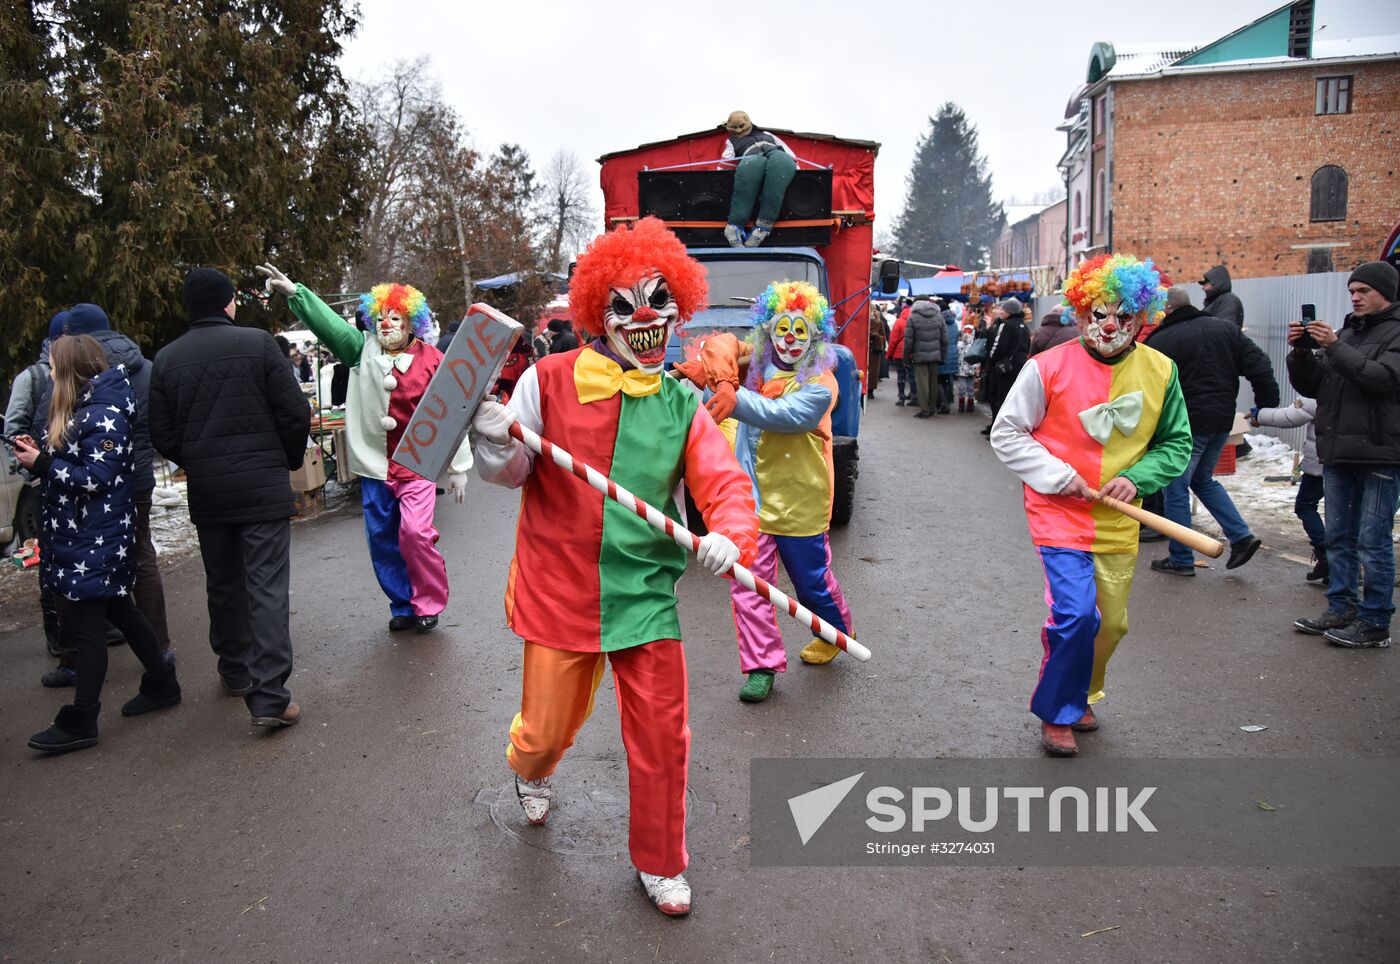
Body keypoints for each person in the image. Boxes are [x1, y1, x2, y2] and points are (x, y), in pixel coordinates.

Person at [470, 217, 759, 916]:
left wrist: (729, 532)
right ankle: (528, 770)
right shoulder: (547, 380)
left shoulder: (683, 402)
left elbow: (724, 482)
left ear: (678, 307)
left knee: (663, 735)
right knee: (543, 731)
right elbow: (511, 473)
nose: (647, 318)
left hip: (645, 597)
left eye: (659, 300)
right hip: (558, 590)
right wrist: (491, 441)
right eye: (627, 306)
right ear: (601, 316)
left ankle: (661, 861)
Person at [991, 253, 1190, 755]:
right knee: (1078, 616)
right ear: (1081, 313)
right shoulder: (1046, 367)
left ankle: (1079, 690)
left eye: (1124, 316)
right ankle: (1058, 712)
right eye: (1099, 313)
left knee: (1111, 624)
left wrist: (1137, 476)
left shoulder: (1162, 372)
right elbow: (1008, 433)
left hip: (1119, 519)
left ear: (1144, 319)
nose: (1110, 325)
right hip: (1058, 513)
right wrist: (1061, 477)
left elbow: (1176, 444)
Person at [258, 264, 473, 633]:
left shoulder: (433, 360)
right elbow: (331, 326)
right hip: (375, 466)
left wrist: (458, 467)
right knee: (383, 539)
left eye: (395, 317)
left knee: (416, 533)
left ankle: (428, 601)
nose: (386, 324)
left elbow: (453, 412)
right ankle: (404, 605)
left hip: (418, 464)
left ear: (411, 323)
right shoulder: (360, 350)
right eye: (381, 317)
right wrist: (298, 294)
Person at [680, 281, 855, 703]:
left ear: (815, 335)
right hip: (750, 500)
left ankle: (834, 632)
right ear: (767, 331)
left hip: (800, 499)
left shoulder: (821, 383)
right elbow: (717, 343)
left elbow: (782, 415)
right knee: (747, 585)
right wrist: (722, 376)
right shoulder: (753, 364)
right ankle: (761, 665)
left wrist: (732, 396)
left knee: (810, 581)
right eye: (782, 328)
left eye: (800, 329)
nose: (790, 338)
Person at [149, 267, 309, 728]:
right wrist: (286, 459)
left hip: (210, 489)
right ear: (226, 303)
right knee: (266, 588)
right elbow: (294, 412)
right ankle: (270, 698)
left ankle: (235, 670)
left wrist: (197, 458)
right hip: (261, 486)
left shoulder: (167, 359)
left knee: (222, 582)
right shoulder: (258, 343)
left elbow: (162, 432)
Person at [15, 335, 181, 753]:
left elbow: (95, 476)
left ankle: (82, 719)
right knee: (122, 611)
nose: (48, 374)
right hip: (87, 534)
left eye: (53, 366)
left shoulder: (101, 410)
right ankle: (162, 682)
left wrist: (44, 463)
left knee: (88, 628)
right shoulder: (86, 409)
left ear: (69, 370)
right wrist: (42, 453)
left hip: (95, 537)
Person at [1289, 261, 1400, 649]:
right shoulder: (1350, 332)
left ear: (1385, 292)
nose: (1354, 297)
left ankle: (1374, 622)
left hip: (1380, 455)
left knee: (1373, 539)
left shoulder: (1394, 332)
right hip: (1338, 452)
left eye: (1364, 290)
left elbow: (1381, 380)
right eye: (1352, 290)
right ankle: (1341, 607)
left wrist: (1334, 346)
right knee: (1338, 536)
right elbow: (1315, 385)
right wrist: (1302, 353)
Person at [59, 304, 174, 669]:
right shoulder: (145, 365)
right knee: (142, 555)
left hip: (93, 481)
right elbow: (159, 421)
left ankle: (82, 653)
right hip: (137, 475)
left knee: (87, 557)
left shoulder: (76, 365)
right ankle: (159, 644)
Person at [1145, 286, 1278, 576]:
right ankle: (1241, 537)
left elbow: (1145, 389)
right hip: (1220, 419)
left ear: (1166, 310)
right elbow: (1260, 364)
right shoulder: (1224, 330)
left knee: (1175, 489)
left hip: (1185, 425)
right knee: (1203, 479)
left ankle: (1181, 557)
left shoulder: (1161, 340)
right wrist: (1267, 404)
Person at [5, 311, 66, 659]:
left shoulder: (81, 370)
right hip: (45, 481)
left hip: (74, 479)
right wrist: (30, 466)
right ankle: (56, 633)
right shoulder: (33, 377)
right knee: (51, 560)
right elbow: (13, 428)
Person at [1252, 397, 1325, 582]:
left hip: (1322, 461)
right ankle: (1346, 568)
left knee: (1305, 506)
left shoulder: (1324, 381)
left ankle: (1327, 557)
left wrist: (1259, 414)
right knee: (1345, 514)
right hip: (1358, 460)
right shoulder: (1371, 381)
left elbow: (1289, 416)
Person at [720, 111, 797, 249]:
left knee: (782, 162)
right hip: (751, 159)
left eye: (740, 128)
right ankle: (734, 226)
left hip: (775, 154)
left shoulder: (767, 135)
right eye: (735, 129)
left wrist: (795, 167)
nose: (738, 131)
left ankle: (763, 226)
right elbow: (724, 166)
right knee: (753, 165)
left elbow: (790, 155)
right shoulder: (731, 142)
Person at [984, 298, 1029, 433]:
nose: (1001, 312)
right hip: (1019, 366)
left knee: (1000, 397)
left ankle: (998, 429)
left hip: (1004, 367)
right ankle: (1010, 428)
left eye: (1003, 309)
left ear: (1009, 311)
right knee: (1013, 398)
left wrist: (992, 360)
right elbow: (1027, 346)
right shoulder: (1024, 325)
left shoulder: (1006, 325)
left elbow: (999, 347)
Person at [903, 297, 947, 419]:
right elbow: (944, 339)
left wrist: (906, 358)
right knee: (933, 382)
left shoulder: (913, 318)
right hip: (935, 355)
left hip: (919, 355)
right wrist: (943, 356)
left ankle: (924, 409)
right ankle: (932, 407)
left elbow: (908, 341)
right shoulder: (939, 317)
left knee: (922, 384)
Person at [1201, 265, 1244, 329]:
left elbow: (1224, 329)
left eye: (1206, 284)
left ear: (1216, 283)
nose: (1203, 288)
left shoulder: (1228, 300)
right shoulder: (1217, 301)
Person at [936, 300, 960, 414]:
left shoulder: (940, 322)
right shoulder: (954, 323)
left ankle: (944, 404)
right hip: (953, 354)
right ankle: (949, 400)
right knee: (947, 380)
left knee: (938, 380)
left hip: (942, 353)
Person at [888, 302, 911, 406]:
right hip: (911, 353)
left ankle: (901, 396)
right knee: (912, 375)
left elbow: (893, 340)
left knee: (901, 375)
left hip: (899, 352)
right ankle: (914, 396)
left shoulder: (899, 322)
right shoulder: (913, 321)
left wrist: (889, 354)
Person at [955, 323, 978, 412]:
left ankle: (970, 404)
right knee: (962, 387)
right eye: (965, 332)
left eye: (969, 332)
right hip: (961, 369)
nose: (966, 334)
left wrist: (977, 367)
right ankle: (961, 404)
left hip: (971, 369)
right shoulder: (959, 344)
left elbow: (977, 358)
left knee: (970, 388)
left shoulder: (974, 345)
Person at [867, 303, 887, 399]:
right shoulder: (864, 322)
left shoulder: (879, 322)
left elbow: (883, 337)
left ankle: (871, 390)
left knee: (873, 372)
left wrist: (876, 336)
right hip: (866, 348)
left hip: (874, 349)